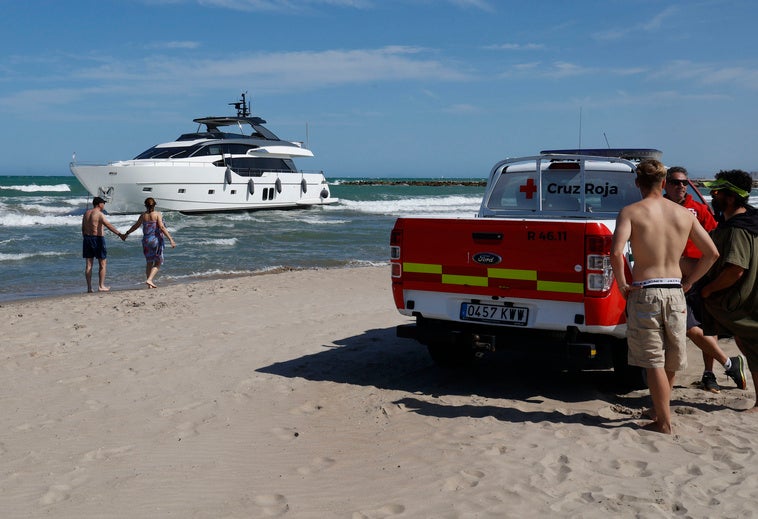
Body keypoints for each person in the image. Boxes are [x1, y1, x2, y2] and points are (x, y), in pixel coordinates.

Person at [611, 159, 719, 434]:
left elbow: (615, 252)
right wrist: (690, 281)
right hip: (674, 289)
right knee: (671, 357)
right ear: (663, 183)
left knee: (653, 361)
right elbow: (712, 254)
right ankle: (661, 410)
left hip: (646, 290)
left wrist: (623, 284)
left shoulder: (631, 212)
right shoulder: (684, 214)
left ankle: (663, 422)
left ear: (638, 183)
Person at [664, 166, 746, 393]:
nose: (681, 186)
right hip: (670, 277)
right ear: (665, 184)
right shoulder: (659, 208)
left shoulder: (697, 209)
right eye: (675, 182)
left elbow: (715, 238)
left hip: (697, 275)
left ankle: (709, 373)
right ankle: (729, 364)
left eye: (684, 182)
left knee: (704, 326)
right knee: (688, 327)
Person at [700, 170, 758, 412]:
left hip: (745, 304)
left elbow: (736, 269)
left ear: (731, 198)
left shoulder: (738, 228)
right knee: (748, 348)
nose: (712, 196)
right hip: (747, 302)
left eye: (716, 192)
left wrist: (708, 290)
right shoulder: (751, 220)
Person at [123, 197, 176, 288]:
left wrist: (127, 233)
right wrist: (171, 239)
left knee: (149, 262)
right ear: (154, 205)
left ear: (145, 205)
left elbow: (135, 226)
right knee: (158, 262)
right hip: (156, 240)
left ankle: (149, 285)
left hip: (146, 241)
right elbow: (162, 227)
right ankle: (150, 279)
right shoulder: (157, 214)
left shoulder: (143, 215)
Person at [82, 196, 124, 293]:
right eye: (103, 203)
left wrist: (86, 238)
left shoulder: (86, 213)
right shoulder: (99, 214)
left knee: (89, 264)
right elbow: (108, 225)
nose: (104, 205)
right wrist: (119, 234)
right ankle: (101, 286)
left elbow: (83, 228)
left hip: (87, 239)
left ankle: (89, 288)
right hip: (98, 239)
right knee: (102, 263)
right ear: (99, 204)